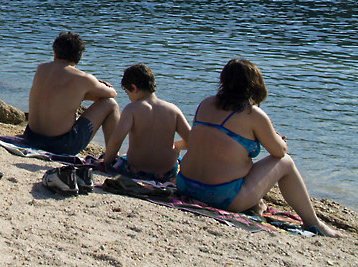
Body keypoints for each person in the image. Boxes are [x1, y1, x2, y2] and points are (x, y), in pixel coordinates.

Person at [176, 59, 339, 236]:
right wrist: (278, 140)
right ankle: (313, 222)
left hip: (185, 185)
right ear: (254, 85)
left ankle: (256, 205)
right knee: (285, 162)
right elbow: (279, 152)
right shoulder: (252, 114)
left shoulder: (206, 103)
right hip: (221, 197)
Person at [24, 31, 120, 155]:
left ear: (55, 52)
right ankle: (112, 156)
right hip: (60, 146)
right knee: (110, 104)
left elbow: (61, 95)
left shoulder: (41, 68)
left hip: (31, 138)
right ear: (79, 56)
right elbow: (112, 94)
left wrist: (84, 93)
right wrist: (99, 85)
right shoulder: (84, 79)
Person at [103, 64, 189, 182]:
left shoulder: (132, 109)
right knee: (177, 161)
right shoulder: (173, 109)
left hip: (136, 171)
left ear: (134, 88)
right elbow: (192, 141)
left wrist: (106, 163)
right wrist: (177, 145)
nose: (129, 98)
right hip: (166, 173)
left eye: (128, 93)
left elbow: (116, 139)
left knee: (121, 160)